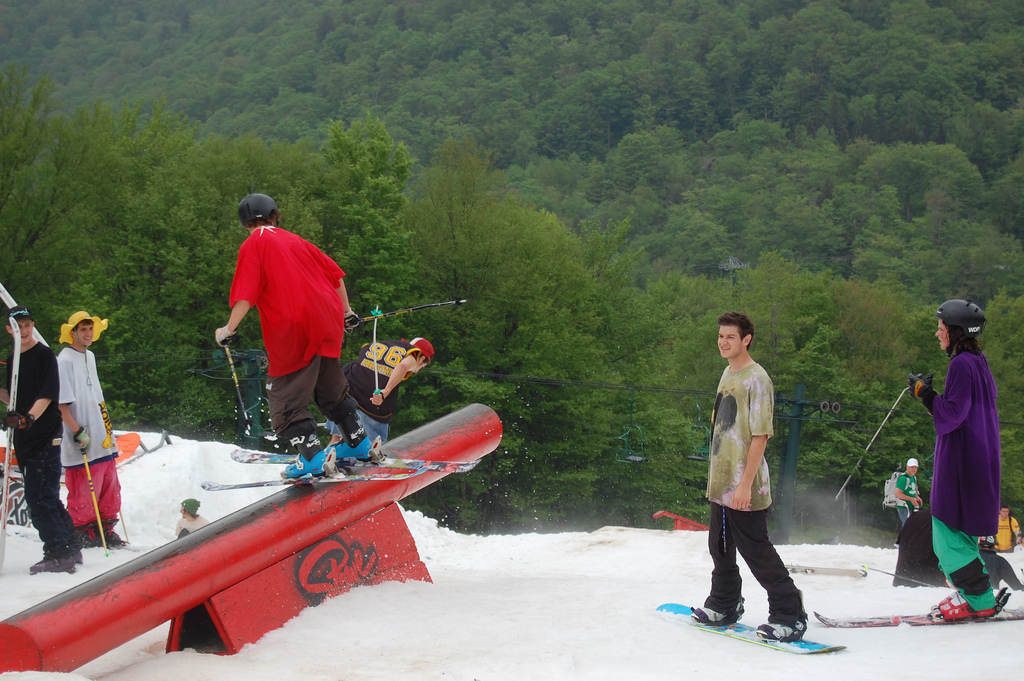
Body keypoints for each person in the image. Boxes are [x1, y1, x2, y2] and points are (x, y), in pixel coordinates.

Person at [215, 193, 371, 479]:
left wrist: (228, 330)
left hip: (294, 323)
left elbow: (245, 294)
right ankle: (359, 442)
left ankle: (311, 457)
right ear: (275, 214)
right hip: (328, 316)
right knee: (328, 383)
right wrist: (347, 312)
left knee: (286, 391)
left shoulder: (255, 243)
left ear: (244, 223)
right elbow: (335, 276)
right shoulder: (297, 240)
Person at [691, 311, 807, 642]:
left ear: (746, 340)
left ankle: (790, 614)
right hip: (722, 483)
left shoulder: (757, 379)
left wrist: (743, 485)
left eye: (730, 337)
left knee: (756, 551)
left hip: (746, 486)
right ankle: (725, 603)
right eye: (720, 336)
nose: (723, 342)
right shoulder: (729, 373)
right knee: (720, 547)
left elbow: (760, 436)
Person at [908, 299, 1003, 619]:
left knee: (947, 536)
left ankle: (979, 599)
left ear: (956, 331)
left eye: (941, 328)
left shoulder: (962, 364)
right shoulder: (979, 360)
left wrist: (925, 394)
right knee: (961, 532)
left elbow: (953, 414)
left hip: (963, 460)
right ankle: (975, 595)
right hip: (980, 456)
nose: (937, 334)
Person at [2, 306, 79, 574]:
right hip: (26, 438)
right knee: (48, 496)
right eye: (18, 327)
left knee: (39, 499)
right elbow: (13, 397)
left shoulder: (44, 355)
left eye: (27, 325)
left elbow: (48, 395)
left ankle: (58, 553)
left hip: (44, 435)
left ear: (32, 325)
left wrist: (27, 419)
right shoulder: (13, 359)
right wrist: (15, 415)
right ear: (9, 329)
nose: (23, 331)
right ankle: (71, 546)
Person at [57, 311, 126, 549]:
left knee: (109, 484)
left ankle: (105, 527)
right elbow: (61, 402)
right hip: (81, 434)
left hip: (101, 432)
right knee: (85, 486)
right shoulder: (64, 359)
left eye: (90, 329)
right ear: (73, 332)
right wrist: (76, 430)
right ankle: (82, 531)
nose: (88, 334)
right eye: (83, 329)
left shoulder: (90, 356)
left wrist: (106, 427)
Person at [325, 337, 434, 452]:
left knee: (337, 438)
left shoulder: (384, 344)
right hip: (369, 405)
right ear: (421, 359)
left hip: (344, 395)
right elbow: (402, 366)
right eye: (421, 367)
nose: (416, 371)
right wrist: (386, 391)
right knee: (369, 445)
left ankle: (324, 463)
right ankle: (362, 456)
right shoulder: (413, 354)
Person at [894, 458, 922, 527]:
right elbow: (897, 493)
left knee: (912, 526)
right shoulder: (903, 478)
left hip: (911, 507)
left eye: (915, 467)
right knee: (908, 526)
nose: (914, 469)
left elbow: (913, 490)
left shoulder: (913, 478)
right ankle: (904, 538)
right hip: (904, 507)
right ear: (907, 467)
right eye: (911, 467)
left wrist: (917, 497)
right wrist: (911, 499)